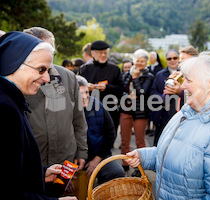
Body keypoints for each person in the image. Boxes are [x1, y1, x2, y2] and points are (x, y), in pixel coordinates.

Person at [126, 55, 210, 199]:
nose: (182, 86)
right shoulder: (186, 112)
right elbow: (179, 155)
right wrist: (144, 156)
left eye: (188, 80)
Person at [0, 31, 76, 200]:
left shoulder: (13, 101)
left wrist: (40, 172)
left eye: (48, 70)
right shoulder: (5, 109)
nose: (47, 78)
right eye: (41, 69)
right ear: (13, 63)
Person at [23, 27, 88, 197]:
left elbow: (78, 119)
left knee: (59, 195)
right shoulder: (19, 79)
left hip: (63, 160)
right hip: (32, 162)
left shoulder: (68, 77)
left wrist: (82, 151)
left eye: (49, 51)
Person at [76, 75, 125, 183]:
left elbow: (110, 133)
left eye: (86, 92)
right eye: (79, 94)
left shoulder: (97, 105)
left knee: (116, 172)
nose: (84, 97)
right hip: (72, 159)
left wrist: (97, 159)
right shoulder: (63, 110)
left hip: (97, 155)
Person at [79, 40, 123, 140]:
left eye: (105, 53)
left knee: (108, 138)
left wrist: (107, 88)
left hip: (109, 110)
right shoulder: (84, 69)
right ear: (93, 53)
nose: (103, 55)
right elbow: (76, 89)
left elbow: (120, 90)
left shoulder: (115, 69)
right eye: (100, 53)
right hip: (88, 111)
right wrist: (86, 88)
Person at [120, 49, 154, 175]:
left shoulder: (148, 76)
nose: (139, 63)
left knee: (140, 141)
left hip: (140, 111)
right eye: (137, 60)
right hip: (126, 109)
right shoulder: (127, 73)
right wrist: (127, 96)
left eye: (142, 61)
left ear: (146, 62)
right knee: (124, 139)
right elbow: (121, 89)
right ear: (134, 61)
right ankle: (124, 165)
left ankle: (140, 167)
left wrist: (135, 78)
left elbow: (143, 93)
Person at [151, 49, 184, 146]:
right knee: (158, 143)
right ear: (166, 60)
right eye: (169, 58)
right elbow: (153, 91)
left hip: (179, 112)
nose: (172, 60)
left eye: (175, 58)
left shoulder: (185, 74)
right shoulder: (160, 74)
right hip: (162, 114)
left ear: (179, 59)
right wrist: (162, 97)